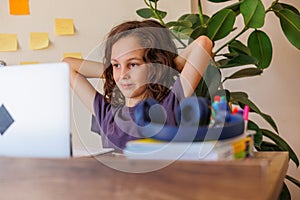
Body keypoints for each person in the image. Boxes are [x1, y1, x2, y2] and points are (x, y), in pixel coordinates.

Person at [63, 19, 213, 150]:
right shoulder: (107, 114)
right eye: (116, 65)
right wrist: (112, 74)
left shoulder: (170, 104)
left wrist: (162, 68)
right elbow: (66, 66)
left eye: (133, 64)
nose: (123, 75)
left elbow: (203, 44)